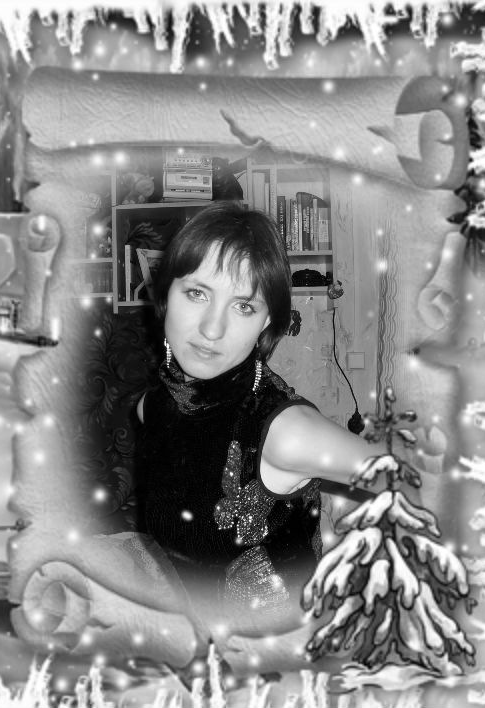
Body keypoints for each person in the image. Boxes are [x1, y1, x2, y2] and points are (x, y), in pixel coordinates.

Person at [134, 200, 382, 638]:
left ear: (267, 322)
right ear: (165, 295)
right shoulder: (151, 407)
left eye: (244, 307)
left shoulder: (284, 432)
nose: (212, 329)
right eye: (196, 293)